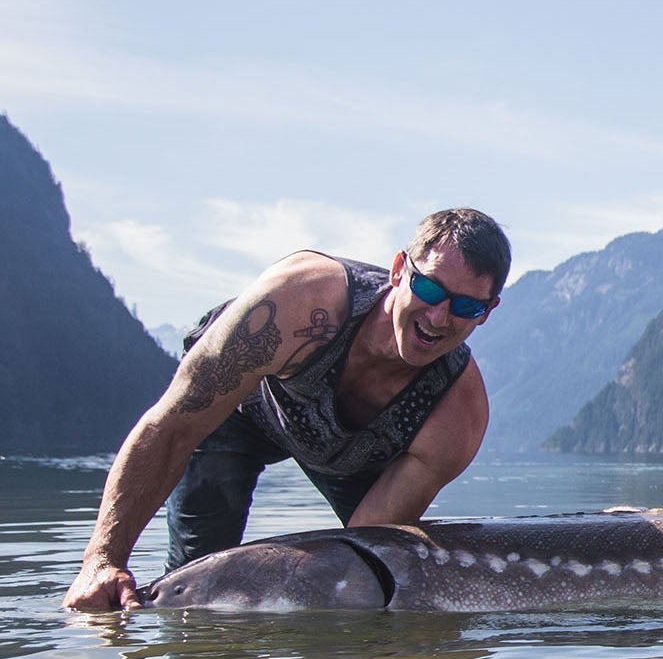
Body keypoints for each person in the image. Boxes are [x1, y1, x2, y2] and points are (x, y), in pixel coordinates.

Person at [64, 208, 510, 611]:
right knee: (194, 595)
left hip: (355, 456)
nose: (438, 317)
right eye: (430, 287)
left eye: (466, 305)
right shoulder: (300, 304)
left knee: (373, 580)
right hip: (240, 417)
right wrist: (101, 561)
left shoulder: (457, 413)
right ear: (399, 270)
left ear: (486, 313)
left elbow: (358, 549)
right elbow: (173, 426)